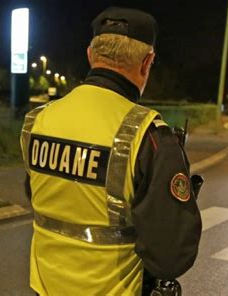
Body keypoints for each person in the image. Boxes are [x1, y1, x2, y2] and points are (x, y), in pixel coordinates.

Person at [20, 6, 202, 296]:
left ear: (91, 55)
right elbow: (171, 255)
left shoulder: (38, 120)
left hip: (44, 287)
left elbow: (39, 196)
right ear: (147, 62)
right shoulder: (149, 136)